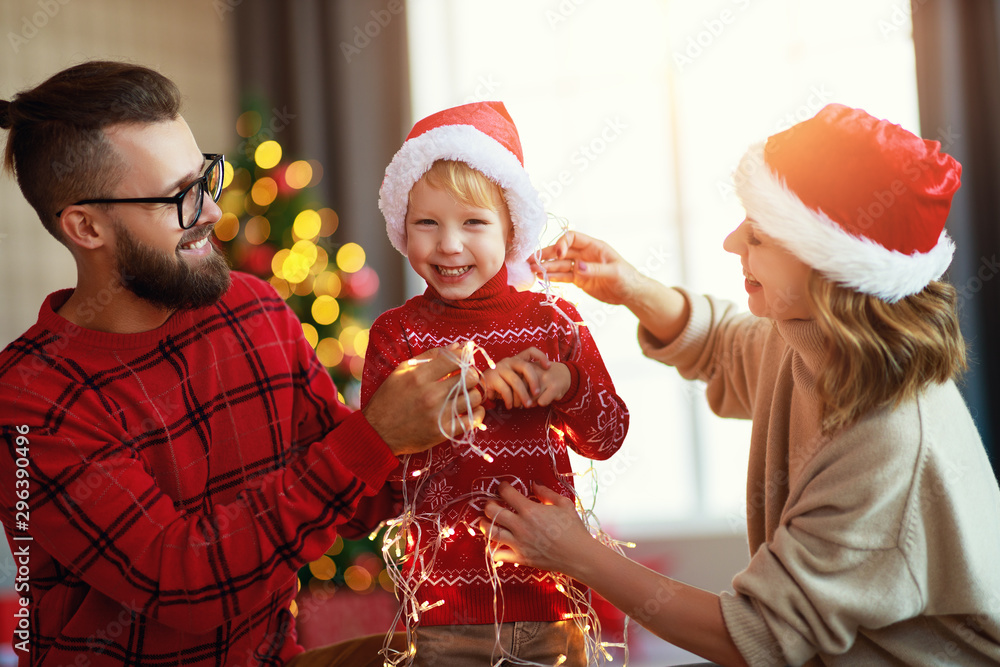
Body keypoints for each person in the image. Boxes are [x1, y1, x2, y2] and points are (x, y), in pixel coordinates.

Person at [0, 61, 484, 667]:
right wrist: (375, 437)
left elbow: (356, 492)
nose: (209, 211)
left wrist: (472, 409)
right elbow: (183, 582)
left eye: (205, 179)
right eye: (179, 197)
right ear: (86, 227)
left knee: (492, 656)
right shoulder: (29, 402)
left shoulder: (252, 310)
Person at [482, 103, 1000, 665]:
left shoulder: (887, 445)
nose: (732, 244)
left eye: (756, 234)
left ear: (826, 266)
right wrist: (631, 287)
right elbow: (728, 347)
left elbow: (756, 637)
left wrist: (578, 554)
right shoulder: (814, 333)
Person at [356, 101, 629, 666]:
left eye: (474, 222)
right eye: (426, 223)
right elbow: (378, 476)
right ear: (401, 230)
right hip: (440, 612)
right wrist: (466, 393)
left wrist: (568, 383)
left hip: (551, 603)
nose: (449, 244)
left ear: (512, 230)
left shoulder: (555, 322)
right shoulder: (397, 334)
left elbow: (608, 435)